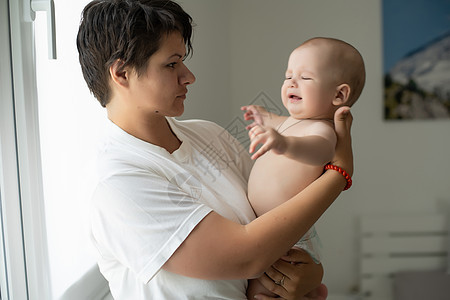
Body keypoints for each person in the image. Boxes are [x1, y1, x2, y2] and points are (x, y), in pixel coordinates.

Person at [76, 1, 354, 299]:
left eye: (183, 60)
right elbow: (248, 256)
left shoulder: (211, 135)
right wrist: (338, 174)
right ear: (122, 74)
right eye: (171, 64)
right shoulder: (120, 184)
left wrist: (311, 269)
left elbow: (279, 217)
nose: (189, 76)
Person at [241, 37, 365, 298]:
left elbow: (318, 150)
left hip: (290, 239)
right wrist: (262, 116)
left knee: (262, 290)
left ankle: (313, 293)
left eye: (305, 78)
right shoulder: (288, 121)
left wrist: (284, 144)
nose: (291, 83)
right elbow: (275, 120)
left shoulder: (323, 130)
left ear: (339, 94)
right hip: (272, 230)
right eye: (288, 76)